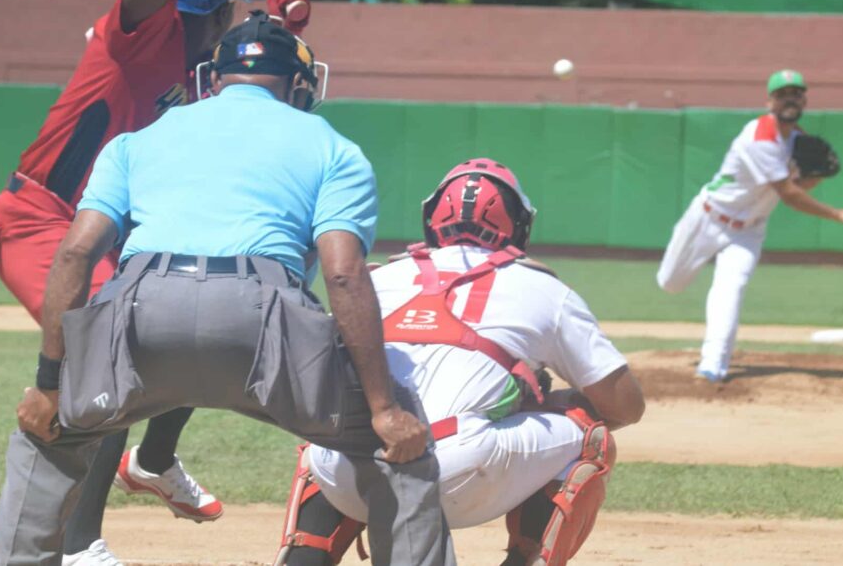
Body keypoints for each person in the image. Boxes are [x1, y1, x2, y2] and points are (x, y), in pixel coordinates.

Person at [0, 13, 455, 566]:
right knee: (397, 448)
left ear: (215, 78)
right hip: (263, 317)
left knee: (50, 433)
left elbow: (74, 253)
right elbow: (345, 273)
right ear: (300, 85)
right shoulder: (333, 146)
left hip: (139, 313)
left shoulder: (140, 139)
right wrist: (383, 409)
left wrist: (49, 384)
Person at [0, 0, 310, 564]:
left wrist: (276, 16)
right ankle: (79, 545)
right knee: (114, 349)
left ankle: (152, 462)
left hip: (114, 235)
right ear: (219, 10)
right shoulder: (135, 38)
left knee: (184, 314)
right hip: (42, 218)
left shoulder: (205, 78)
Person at [271, 158, 646, 566]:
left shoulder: (376, 277)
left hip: (341, 478)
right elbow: (625, 406)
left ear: (431, 219)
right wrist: (531, 403)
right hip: (456, 477)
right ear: (519, 224)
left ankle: (305, 555)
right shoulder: (542, 288)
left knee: (333, 423)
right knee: (590, 436)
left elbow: (317, 372)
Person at [656, 70, 843, 382]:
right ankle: (711, 359)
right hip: (708, 217)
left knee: (731, 288)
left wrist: (816, 176)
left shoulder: (797, 140)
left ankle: (713, 365)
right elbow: (789, 195)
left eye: (796, 93)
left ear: (804, 99)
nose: (790, 99)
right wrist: (836, 215)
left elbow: (797, 185)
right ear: (770, 101)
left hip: (747, 230)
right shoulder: (760, 138)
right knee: (670, 284)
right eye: (782, 94)